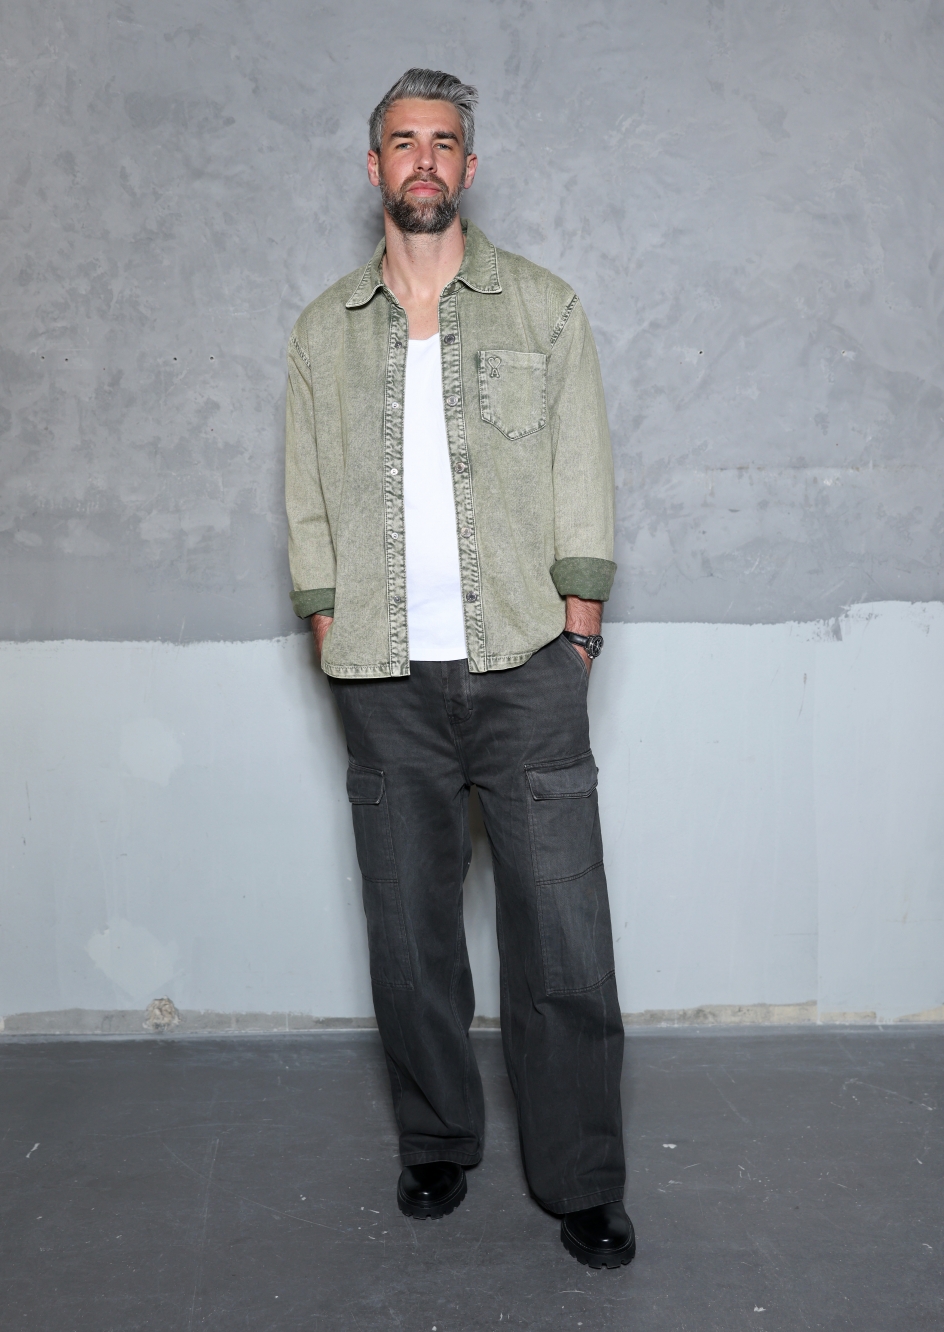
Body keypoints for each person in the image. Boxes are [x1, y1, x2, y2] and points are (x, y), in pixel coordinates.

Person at [284, 68, 633, 1270]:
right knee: (410, 932)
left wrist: (578, 621)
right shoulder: (323, 331)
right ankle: (436, 1142)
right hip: (384, 675)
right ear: (373, 168)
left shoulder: (542, 307)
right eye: (401, 144)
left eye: (443, 144)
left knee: (563, 937)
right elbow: (305, 496)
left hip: (527, 664)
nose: (423, 162)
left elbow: (582, 462)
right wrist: (326, 622)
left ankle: (583, 1179)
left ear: (468, 169)